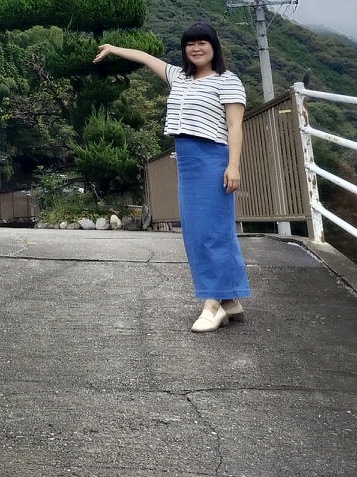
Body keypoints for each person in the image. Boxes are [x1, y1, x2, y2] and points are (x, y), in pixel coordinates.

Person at [94, 21, 251, 332]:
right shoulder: (179, 77)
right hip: (188, 161)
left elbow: (235, 127)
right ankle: (231, 299)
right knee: (198, 231)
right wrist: (112, 49)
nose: (196, 48)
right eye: (189, 44)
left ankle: (213, 304)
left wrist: (233, 166)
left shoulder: (227, 81)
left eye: (202, 42)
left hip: (213, 158)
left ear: (214, 46)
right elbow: (143, 57)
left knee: (212, 232)